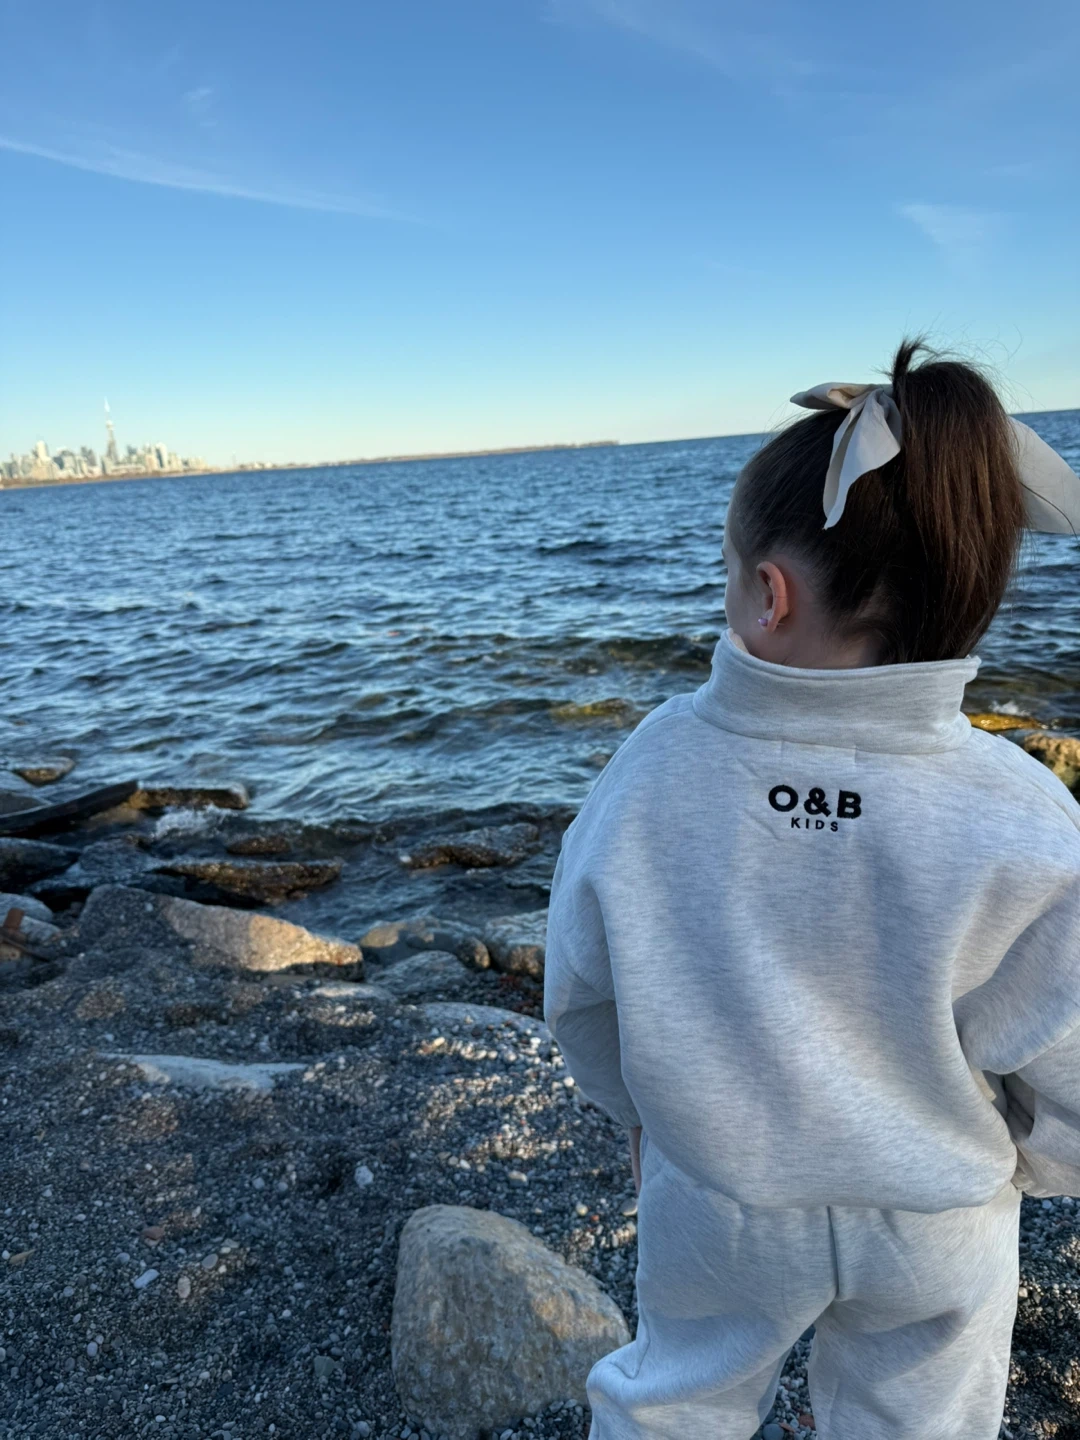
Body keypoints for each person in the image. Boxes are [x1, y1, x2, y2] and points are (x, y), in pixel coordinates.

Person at [543, 339, 1080, 1440]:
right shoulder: (1020, 808)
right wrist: (1025, 1166)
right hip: (936, 1208)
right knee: (921, 1420)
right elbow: (1065, 1047)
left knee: (677, 1400)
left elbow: (583, 989)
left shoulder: (657, 765)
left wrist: (646, 1117)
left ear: (768, 595)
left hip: (720, 1196)